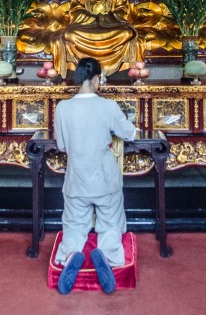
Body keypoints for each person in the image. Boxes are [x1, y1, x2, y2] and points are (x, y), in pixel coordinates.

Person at [54, 57, 136, 295]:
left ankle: (70, 254)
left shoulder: (63, 108)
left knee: (73, 225)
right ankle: (107, 255)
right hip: (105, 181)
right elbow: (129, 133)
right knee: (111, 224)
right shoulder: (107, 106)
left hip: (76, 181)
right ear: (97, 79)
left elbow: (61, 145)